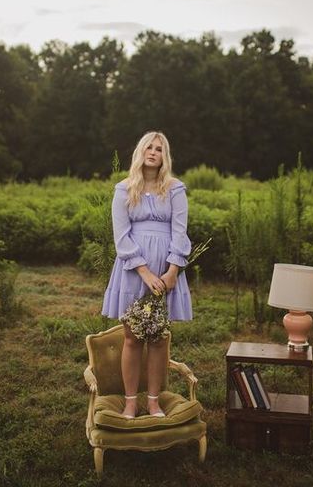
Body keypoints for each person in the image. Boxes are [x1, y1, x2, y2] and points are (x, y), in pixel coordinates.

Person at [102, 131, 192, 418]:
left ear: (165, 156)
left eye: (159, 149)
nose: (153, 152)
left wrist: (172, 271)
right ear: (140, 152)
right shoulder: (124, 189)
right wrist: (143, 271)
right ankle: (130, 401)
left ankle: (153, 401)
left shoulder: (175, 189)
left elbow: (180, 231)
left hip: (167, 269)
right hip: (133, 270)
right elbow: (121, 236)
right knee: (132, 337)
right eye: (149, 147)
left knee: (159, 338)